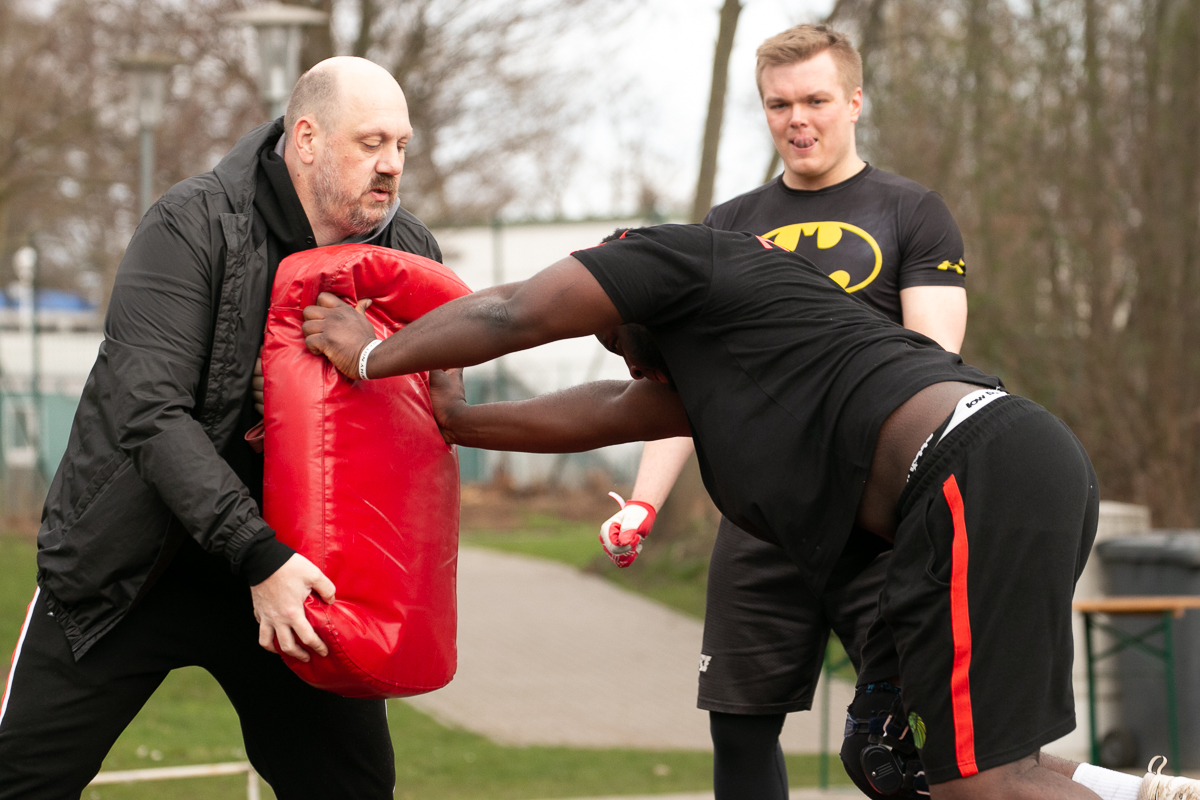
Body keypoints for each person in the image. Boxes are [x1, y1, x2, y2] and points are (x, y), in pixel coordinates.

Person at [302, 223, 1199, 800]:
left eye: (618, 337)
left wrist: (373, 357)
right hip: (991, 482)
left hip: (972, 470)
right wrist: (455, 421)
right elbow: (605, 413)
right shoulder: (732, 362)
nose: (628, 362)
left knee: (978, 785)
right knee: (895, 758)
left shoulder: (675, 256)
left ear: (627, 290)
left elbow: (513, 312)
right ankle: (1132, 792)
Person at [0, 57, 439, 799]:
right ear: (305, 138)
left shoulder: (407, 253)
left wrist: (380, 353)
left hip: (293, 580)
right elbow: (149, 414)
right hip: (134, 564)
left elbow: (422, 425)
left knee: (354, 790)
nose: (391, 166)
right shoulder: (190, 223)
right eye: (370, 143)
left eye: (401, 145)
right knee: (24, 784)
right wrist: (255, 554)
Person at [597, 25, 970, 798]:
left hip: (873, 527)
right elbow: (685, 391)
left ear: (855, 102)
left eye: (816, 100)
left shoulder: (914, 213)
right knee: (738, 728)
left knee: (908, 732)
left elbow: (930, 371)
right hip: (761, 523)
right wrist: (643, 502)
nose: (797, 118)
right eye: (778, 104)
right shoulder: (724, 226)